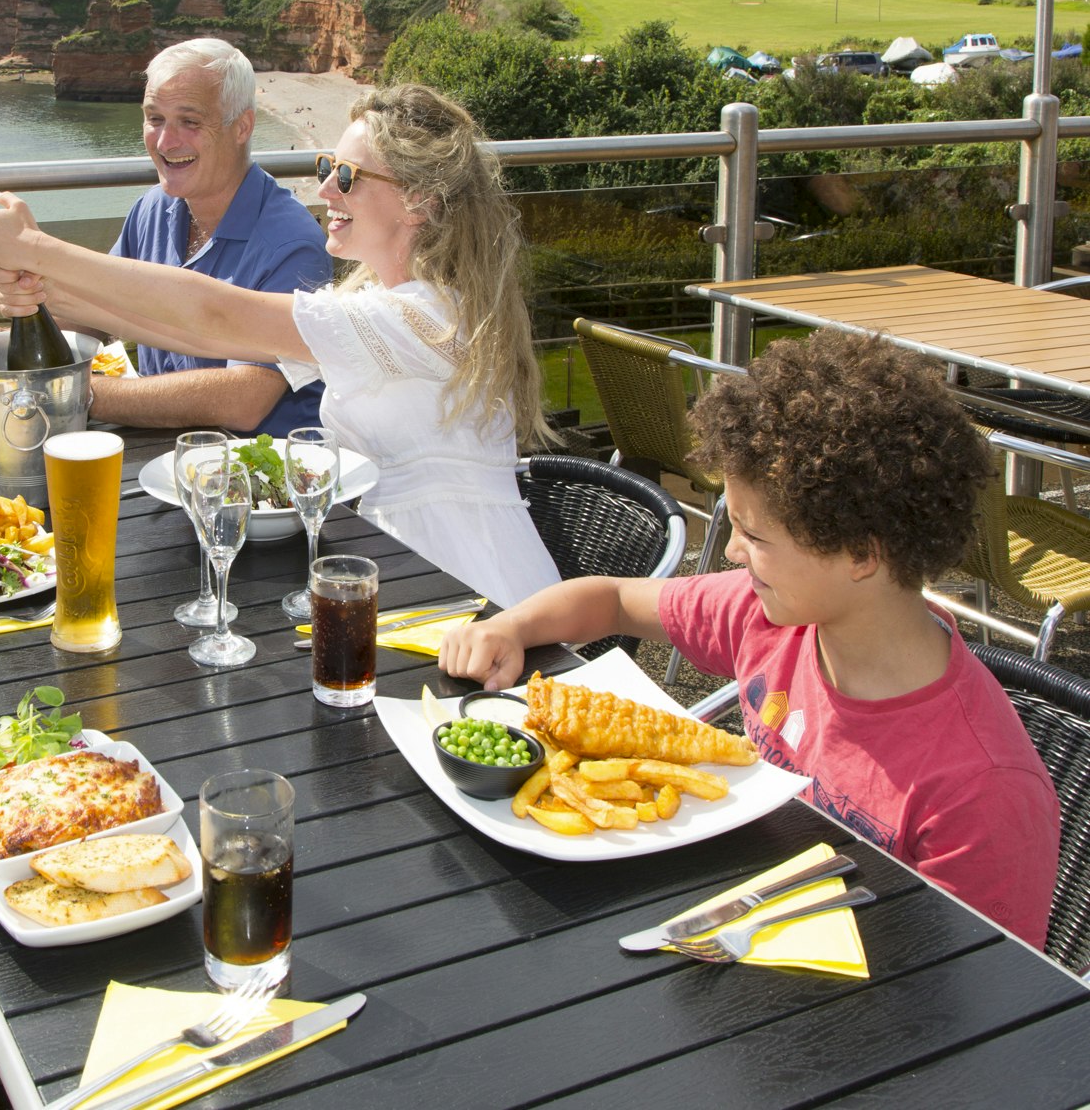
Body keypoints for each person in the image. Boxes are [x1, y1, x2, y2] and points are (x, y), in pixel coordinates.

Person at [438, 331, 1062, 949]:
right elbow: (611, 601)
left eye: (754, 536)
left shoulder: (983, 788)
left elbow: (995, 990)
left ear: (861, 554)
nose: (733, 551)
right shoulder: (769, 616)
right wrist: (507, 627)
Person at [0, 83, 562, 608]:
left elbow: (216, 312)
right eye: (328, 164)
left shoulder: (421, 318)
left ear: (420, 202)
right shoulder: (386, 304)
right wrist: (46, 292)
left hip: (474, 590)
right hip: (399, 572)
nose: (326, 186)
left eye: (348, 176)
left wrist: (36, 249)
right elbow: (193, 330)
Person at [48, 38, 331, 435]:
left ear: (242, 127)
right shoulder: (151, 209)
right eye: (155, 118)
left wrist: (77, 395)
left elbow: (245, 399)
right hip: (164, 459)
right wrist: (19, 340)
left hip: (260, 480)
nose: (165, 142)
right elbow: (94, 309)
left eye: (190, 122)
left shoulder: (292, 245)